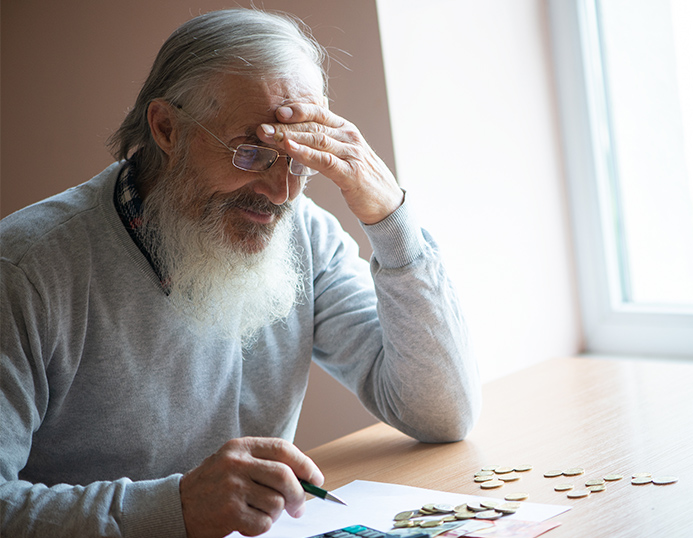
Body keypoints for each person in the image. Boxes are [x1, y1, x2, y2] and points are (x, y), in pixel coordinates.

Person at [0, 8, 481, 538]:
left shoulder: (304, 234)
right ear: (166, 128)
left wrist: (389, 218)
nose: (282, 193)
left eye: (299, 157)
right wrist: (176, 507)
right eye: (250, 151)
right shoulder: (24, 271)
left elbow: (441, 413)